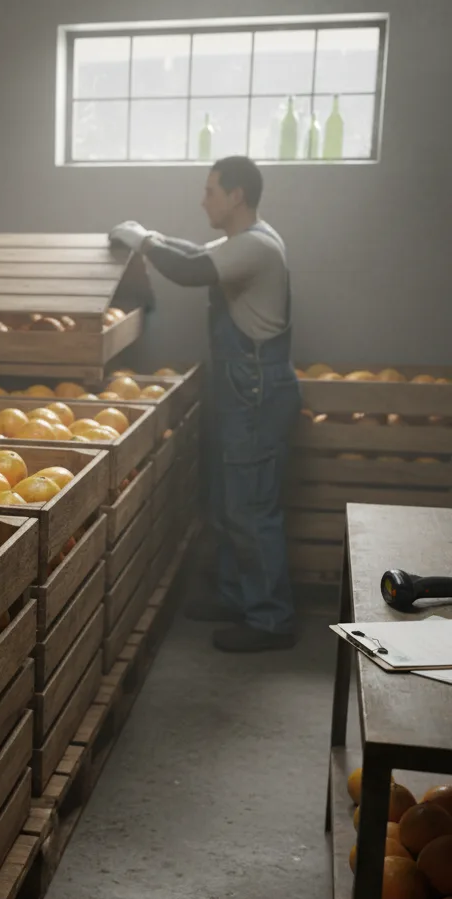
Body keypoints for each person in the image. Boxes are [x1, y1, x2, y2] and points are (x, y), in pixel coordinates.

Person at [110, 156, 301, 653]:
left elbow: (191, 269)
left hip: (255, 392)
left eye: (211, 190)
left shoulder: (256, 247)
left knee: (251, 507)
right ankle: (238, 597)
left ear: (237, 195)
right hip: (243, 390)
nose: (203, 199)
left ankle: (270, 619)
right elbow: (195, 252)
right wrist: (148, 234)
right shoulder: (244, 242)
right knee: (229, 499)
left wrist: (141, 240)